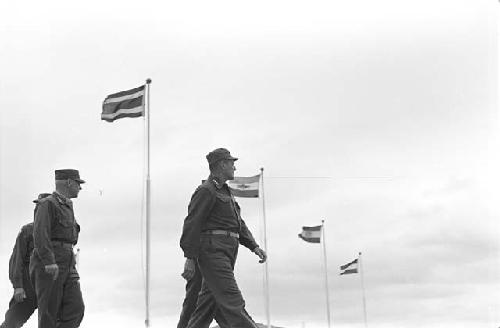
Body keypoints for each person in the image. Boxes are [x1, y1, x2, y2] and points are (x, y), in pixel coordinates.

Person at [180, 148, 267, 328]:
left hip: (227, 253)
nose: (235, 168)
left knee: (206, 306)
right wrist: (189, 257)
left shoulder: (226, 192)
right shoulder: (206, 191)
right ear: (222, 165)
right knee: (232, 299)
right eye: (232, 163)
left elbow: (237, 224)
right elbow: (192, 223)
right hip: (213, 253)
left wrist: (254, 246)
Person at [30, 169, 85, 328]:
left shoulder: (66, 205)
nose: (79, 188)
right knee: (49, 313)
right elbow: (40, 233)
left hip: (67, 262)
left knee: (76, 309)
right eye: (77, 183)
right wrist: (49, 261)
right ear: (68, 182)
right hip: (51, 263)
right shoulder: (48, 204)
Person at [0, 193, 50, 328]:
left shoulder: (59, 233)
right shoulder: (27, 231)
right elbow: (16, 260)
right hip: (28, 282)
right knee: (12, 321)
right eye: (38, 206)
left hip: (50, 282)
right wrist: (18, 286)